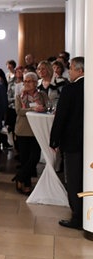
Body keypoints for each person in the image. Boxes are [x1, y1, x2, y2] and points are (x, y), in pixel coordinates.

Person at [50, 56, 85, 230]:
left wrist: (54, 139)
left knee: (73, 180)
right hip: (88, 143)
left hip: (72, 142)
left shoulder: (70, 89)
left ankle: (77, 217)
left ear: (80, 70)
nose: (68, 71)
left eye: (70, 68)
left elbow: (61, 117)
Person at [13, 72, 48, 195]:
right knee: (24, 158)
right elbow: (19, 111)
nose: (26, 84)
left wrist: (43, 108)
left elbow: (47, 107)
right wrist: (32, 109)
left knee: (34, 158)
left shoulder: (42, 95)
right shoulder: (19, 95)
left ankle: (19, 176)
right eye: (25, 81)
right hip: (23, 130)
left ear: (35, 82)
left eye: (29, 81)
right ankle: (26, 184)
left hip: (37, 130)